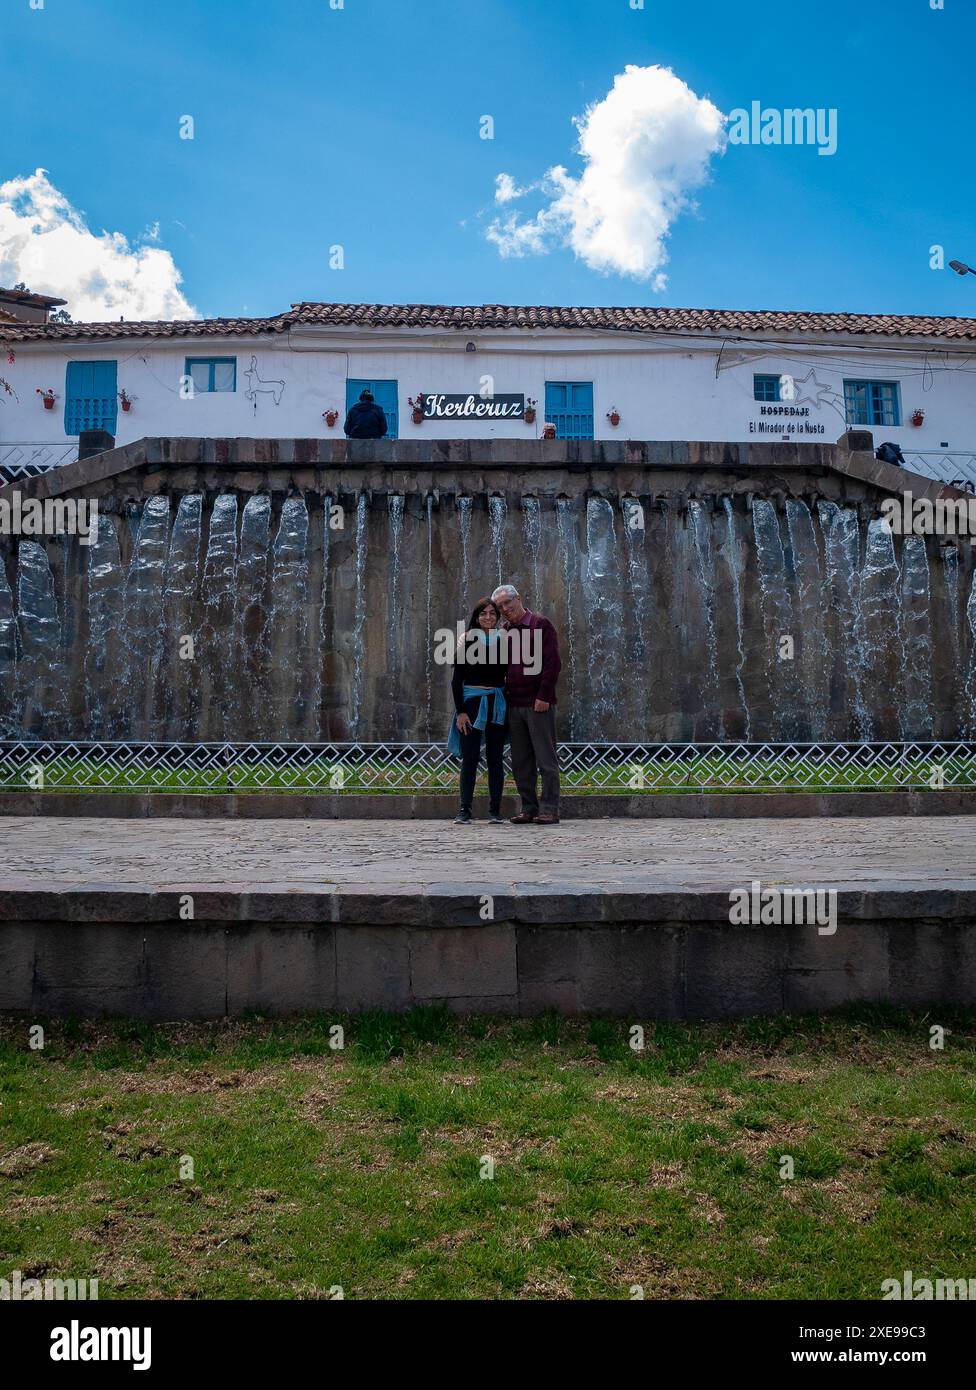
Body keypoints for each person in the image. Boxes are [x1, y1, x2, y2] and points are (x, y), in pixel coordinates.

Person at [490, 583, 561, 825]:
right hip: (514, 704)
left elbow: (552, 664)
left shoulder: (540, 624)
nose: (505, 609)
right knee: (521, 761)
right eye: (500, 607)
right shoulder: (505, 630)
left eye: (507, 603)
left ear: (518, 598)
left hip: (538, 703)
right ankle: (529, 808)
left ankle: (550, 809)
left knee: (546, 759)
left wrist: (543, 696)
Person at [447, 598, 508, 825]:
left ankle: (495, 810)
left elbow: (509, 674)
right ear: (476, 616)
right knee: (470, 757)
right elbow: (456, 680)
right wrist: (460, 712)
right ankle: (464, 809)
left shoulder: (504, 639)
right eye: (483, 613)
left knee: (495, 758)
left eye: (492, 613)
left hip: (497, 703)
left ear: (497, 617)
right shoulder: (467, 639)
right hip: (471, 704)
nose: (488, 617)